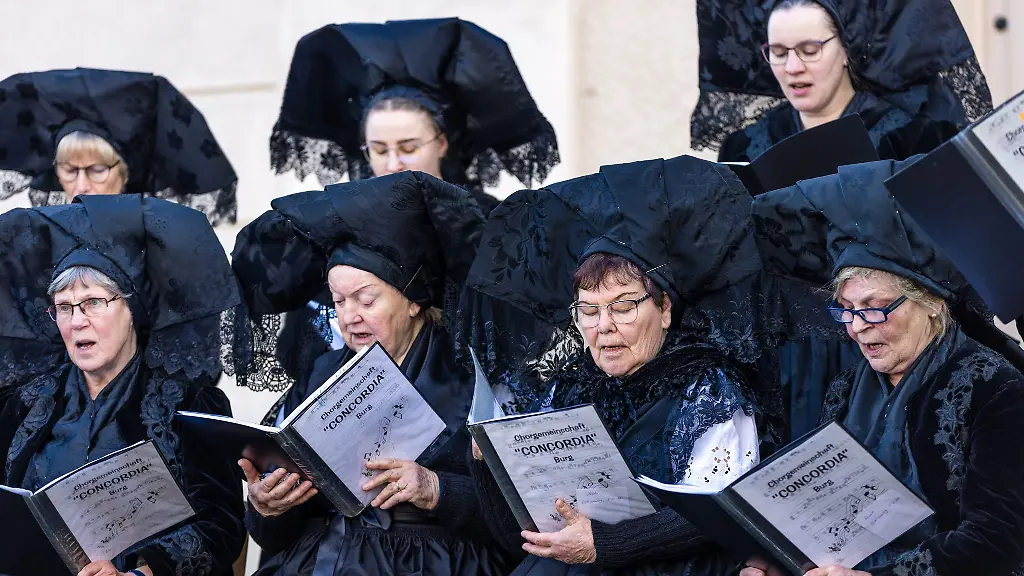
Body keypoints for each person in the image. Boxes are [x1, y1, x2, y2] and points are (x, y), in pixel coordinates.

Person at [461, 155, 807, 574]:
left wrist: (606, 543)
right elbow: (523, 540)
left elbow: (720, 509)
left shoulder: (707, 387)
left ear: (664, 309)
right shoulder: (567, 388)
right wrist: (487, 465)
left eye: (623, 307)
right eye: (588, 311)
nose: (603, 326)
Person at [691, 0, 993, 441]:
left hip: (887, 336)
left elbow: (948, 245)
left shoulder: (908, 133)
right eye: (778, 51)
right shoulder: (747, 143)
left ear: (846, 47)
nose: (793, 67)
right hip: (789, 349)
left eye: (810, 49)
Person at [742, 158, 1024, 575]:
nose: (857, 328)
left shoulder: (995, 388)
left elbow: (995, 539)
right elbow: (826, 514)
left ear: (931, 303)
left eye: (875, 309)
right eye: (847, 310)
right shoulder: (846, 389)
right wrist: (776, 560)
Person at [255, 17, 561, 399]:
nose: (394, 163)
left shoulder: (489, 225)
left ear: (442, 142)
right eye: (379, 150)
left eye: (409, 146)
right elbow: (308, 343)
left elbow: (519, 340)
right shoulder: (340, 224)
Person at [231, 171, 514, 575]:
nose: (350, 316)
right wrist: (268, 507)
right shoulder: (322, 374)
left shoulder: (471, 377)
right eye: (339, 301)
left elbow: (522, 519)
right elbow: (274, 539)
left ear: (414, 299)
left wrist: (436, 489)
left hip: (437, 563)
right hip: (324, 557)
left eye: (366, 299)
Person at [0, 194, 250, 575]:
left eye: (93, 302)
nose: (76, 321)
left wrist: (142, 573)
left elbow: (222, 526)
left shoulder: (191, 406)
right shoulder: (24, 404)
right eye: (64, 307)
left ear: (132, 310)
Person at [0, 67, 238, 225]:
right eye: (70, 171)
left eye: (97, 170)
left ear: (124, 172)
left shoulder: (168, 246)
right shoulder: (32, 243)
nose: (82, 186)